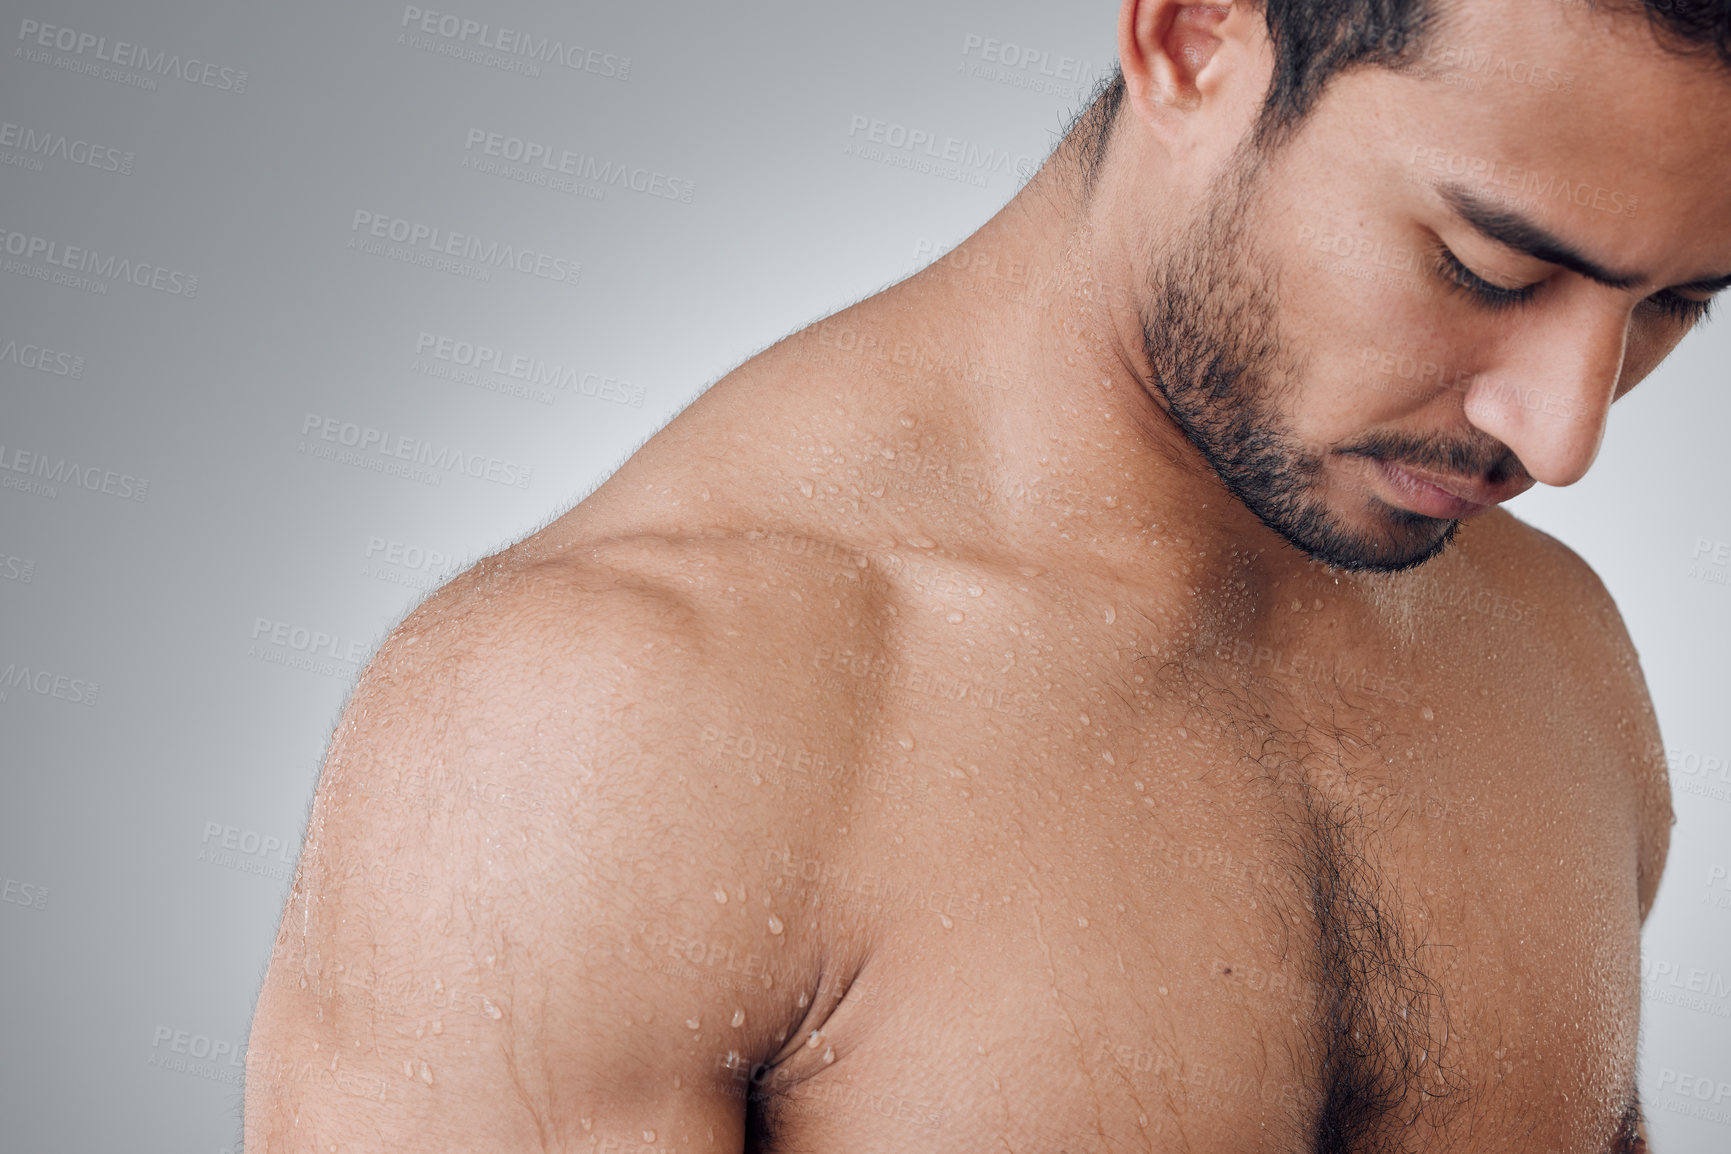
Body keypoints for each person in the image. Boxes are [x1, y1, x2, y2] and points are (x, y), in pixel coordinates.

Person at [245, 0, 1731, 1149]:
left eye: (1673, 304)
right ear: (1195, 40)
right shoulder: (599, 719)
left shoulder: (1551, 650)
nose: (1566, 431)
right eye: (1485, 267)